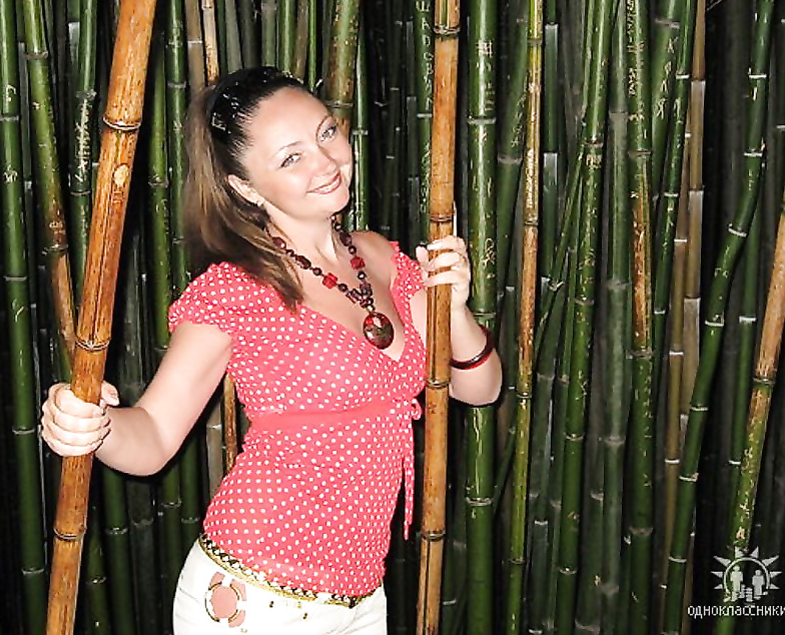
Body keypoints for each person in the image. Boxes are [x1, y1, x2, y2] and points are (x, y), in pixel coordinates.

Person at [40, 66, 502, 634]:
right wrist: (93, 424)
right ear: (246, 188)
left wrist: (452, 307)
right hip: (255, 598)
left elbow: (479, 387)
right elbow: (154, 437)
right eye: (291, 158)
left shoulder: (380, 257)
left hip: (360, 595)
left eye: (326, 133)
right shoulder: (236, 290)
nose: (325, 163)